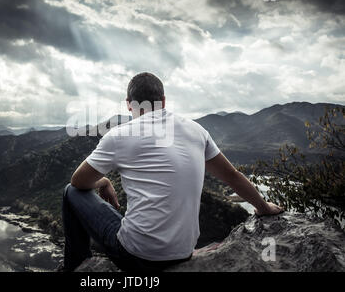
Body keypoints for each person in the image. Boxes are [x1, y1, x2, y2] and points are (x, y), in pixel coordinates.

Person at [62, 72, 283, 272]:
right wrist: (263, 207)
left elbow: (78, 181)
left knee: (69, 192)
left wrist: (104, 182)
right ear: (164, 101)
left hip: (137, 256)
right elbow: (232, 176)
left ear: (129, 105)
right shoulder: (197, 130)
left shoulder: (119, 136)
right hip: (183, 252)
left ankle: (76, 265)